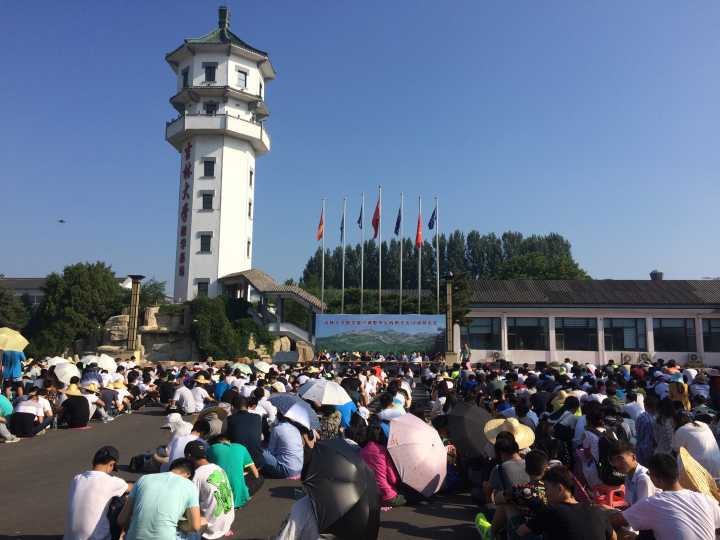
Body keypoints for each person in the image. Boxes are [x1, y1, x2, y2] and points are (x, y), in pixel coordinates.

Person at [617, 453, 720, 540]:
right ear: (677, 474)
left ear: (657, 479)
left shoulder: (654, 503)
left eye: (649, 474)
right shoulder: (706, 499)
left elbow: (616, 520)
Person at [517, 465, 615, 539]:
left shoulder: (551, 511)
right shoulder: (596, 510)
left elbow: (521, 531)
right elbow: (613, 537)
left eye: (546, 489)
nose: (545, 494)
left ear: (560, 488)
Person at [118, 458, 202, 540]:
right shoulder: (189, 485)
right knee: (200, 526)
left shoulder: (143, 479)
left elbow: (122, 520)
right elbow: (195, 526)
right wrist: (179, 525)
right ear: (188, 474)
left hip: (134, 536)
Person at [62, 445, 129, 540]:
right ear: (111, 464)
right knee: (124, 497)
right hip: (97, 538)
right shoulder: (112, 481)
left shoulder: (76, 478)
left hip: (69, 538)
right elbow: (132, 488)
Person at [185, 440, 235, 539]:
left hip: (211, 530)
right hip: (227, 522)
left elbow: (189, 504)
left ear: (189, 457)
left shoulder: (196, 475)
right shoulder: (218, 468)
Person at [207, 433, 262, 509]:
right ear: (229, 441)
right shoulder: (241, 447)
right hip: (238, 500)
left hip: (219, 498)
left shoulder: (212, 448)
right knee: (260, 479)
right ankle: (245, 497)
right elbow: (255, 473)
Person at [359, 417, 405, 506]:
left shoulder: (362, 451)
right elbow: (393, 479)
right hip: (387, 496)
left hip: (369, 496)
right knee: (406, 497)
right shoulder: (383, 451)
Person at [607, 440, 656, 506]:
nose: (617, 464)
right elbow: (629, 503)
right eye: (614, 461)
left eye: (620, 459)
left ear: (633, 457)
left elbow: (644, 510)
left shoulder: (643, 478)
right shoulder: (629, 476)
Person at [225, 395, 266, 468]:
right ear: (248, 407)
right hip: (258, 461)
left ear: (232, 407)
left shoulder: (229, 419)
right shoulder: (257, 417)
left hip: (240, 462)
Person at [262, 415, 306, 479]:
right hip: (299, 469)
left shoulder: (277, 429)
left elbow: (270, 452)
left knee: (261, 452)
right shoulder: (295, 429)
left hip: (287, 471)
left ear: (278, 417)